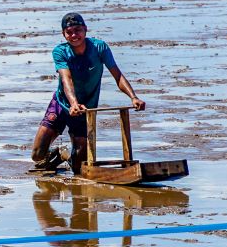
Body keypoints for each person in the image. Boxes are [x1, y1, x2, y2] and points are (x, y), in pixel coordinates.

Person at [30, 12, 145, 174]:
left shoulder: (100, 48)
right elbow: (66, 78)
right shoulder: (60, 51)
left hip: (86, 109)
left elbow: (117, 75)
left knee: (78, 165)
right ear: (64, 34)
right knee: (37, 154)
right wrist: (73, 103)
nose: (74, 35)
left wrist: (133, 97)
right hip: (62, 105)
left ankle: (70, 159)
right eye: (69, 32)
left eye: (78, 30)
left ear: (85, 29)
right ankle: (56, 156)